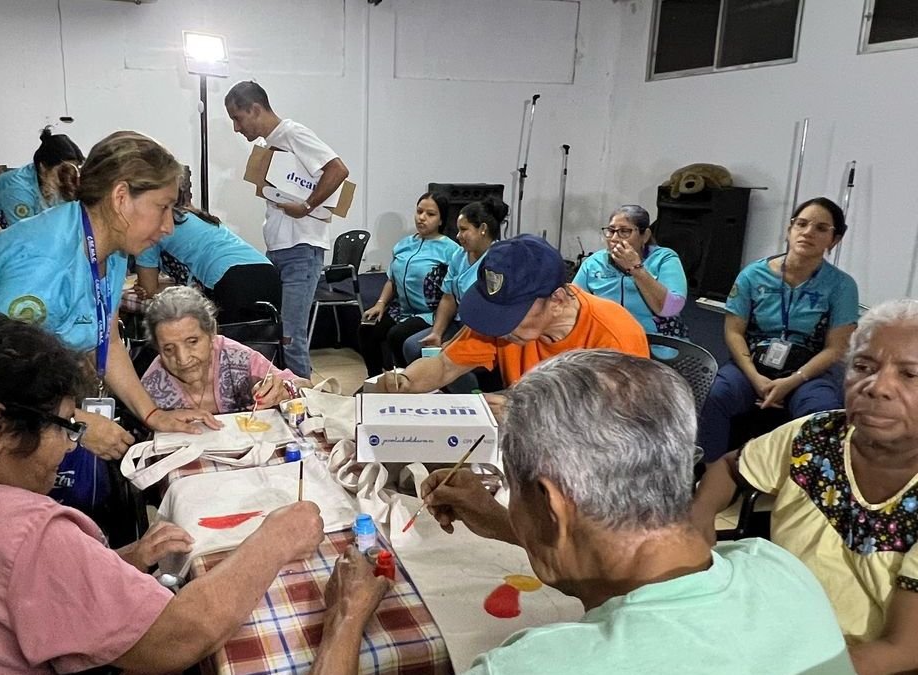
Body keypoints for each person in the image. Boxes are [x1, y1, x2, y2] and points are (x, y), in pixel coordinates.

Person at [0, 314, 387, 674]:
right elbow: (175, 642)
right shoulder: (26, 526)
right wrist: (274, 537)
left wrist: (112, 563)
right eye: (64, 424)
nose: (69, 447)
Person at [420, 350, 853, 674]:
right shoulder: (780, 569)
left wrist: (349, 622)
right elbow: (639, 582)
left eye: (513, 492)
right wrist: (506, 522)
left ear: (551, 505)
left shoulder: (533, 665)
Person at [0, 131, 220, 467]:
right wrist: (77, 424)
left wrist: (153, 414)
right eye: (162, 207)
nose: (168, 227)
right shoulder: (44, 262)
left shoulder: (110, 249)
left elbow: (107, 337)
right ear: (120, 198)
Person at [692, 299, 918, 675]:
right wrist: (699, 515)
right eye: (863, 367)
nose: (877, 388)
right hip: (777, 622)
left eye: (910, 375)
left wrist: (780, 664)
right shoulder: (815, 435)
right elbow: (731, 466)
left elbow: (903, 650)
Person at [382, 235, 649, 413]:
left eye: (510, 314)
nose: (499, 328)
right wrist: (406, 381)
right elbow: (444, 365)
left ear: (556, 299)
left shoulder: (614, 337)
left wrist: (525, 414)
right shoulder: (499, 324)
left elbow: (617, 429)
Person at [697, 197, 859, 463]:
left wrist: (792, 381)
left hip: (809, 370)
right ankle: (708, 474)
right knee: (716, 396)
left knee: (821, 412)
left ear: (835, 240)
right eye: (801, 224)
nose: (807, 232)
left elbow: (837, 348)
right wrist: (754, 376)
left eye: (820, 228)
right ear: (789, 230)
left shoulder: (841, 286)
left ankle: (800, 490)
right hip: (752, 363)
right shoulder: (752, 275)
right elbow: (734, 332)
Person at [225, 81, 349, 378]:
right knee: (284, 336)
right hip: (282, 250)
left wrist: (307, 205)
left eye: (237, 118)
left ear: (255, 109)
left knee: (292, 338)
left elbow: (338, 169)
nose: (236, 128)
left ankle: (305, 409)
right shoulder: (270, 143)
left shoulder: (293, 133)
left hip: (301, 249)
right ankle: (290, 397)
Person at [141, 287, 310, 414]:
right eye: (169, 349)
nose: (183, 359)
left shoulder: (238, 358)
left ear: (211, 334)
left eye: (192, 342)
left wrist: (286, 390)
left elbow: (310, 389)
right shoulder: (151, 387)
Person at [357, 192, 460, 376]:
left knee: (397, 335)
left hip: (429, 314)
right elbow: (392, 279)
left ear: (441, 220)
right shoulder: (404, 244)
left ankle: (407, 381)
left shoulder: (451, 250)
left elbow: (452, 293)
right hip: (402, 310)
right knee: (367, 327)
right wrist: (380, 304)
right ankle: (375, 379)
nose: (422, 218)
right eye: (419, 211)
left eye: (430, 214)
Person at [135, 206, 281, 325]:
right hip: (268, 274)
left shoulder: (149, 229)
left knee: (224, 352)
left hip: (232, 281)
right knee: (261, 349)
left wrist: (149, 285)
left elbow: (149, 289)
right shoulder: (189, 214)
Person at [402, 197, 501, 365]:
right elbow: (448, 297)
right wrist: (437, 333)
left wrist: (456, 342)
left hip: (484, 331)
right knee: (412, 347)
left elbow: (489, 314)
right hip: (458, 323)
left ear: (482, 229)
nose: (458, 236)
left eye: (464, 230)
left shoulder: (498, 260)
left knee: (450, 357)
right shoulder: (459, 255)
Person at [572, 204, 689, 338]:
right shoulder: (594, 262)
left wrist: (636, 269)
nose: (614, 238)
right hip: (606, 341)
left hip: (654, 341)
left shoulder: (664, 259)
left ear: (644, 236)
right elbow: (574, 303)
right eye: (611, 230)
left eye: (624, 231)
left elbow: (671, 308)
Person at [0, 126, 84, 228]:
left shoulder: (51, 181)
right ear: (43, 166)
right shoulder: (16, 189)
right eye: (63, 171)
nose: (67, 178)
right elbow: (25, 236)